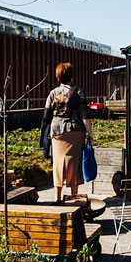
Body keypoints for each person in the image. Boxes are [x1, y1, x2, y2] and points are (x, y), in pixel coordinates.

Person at [41, 62, 93, 205]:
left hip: (57, 132)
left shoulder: (53, 93)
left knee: (58, 163)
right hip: (76, 131)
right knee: (74, 163)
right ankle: (74, 196)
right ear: (71, 76)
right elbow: (85, 116)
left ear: (58, 77)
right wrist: (90, 134)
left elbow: (46, 116)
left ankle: (57, 197)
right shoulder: (78, 92)